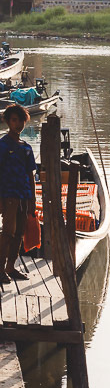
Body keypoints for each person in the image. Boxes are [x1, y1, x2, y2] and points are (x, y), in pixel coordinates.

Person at [0, 104, 37, 286]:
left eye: (20, 120)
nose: (18, 124)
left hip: (24, 196)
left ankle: (10, 267)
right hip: (8, 196)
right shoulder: (3, 145)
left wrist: (33, 199)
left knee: (19, 233)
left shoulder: (26, 148)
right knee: (7, 232)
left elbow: (31, 174)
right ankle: (0, 269)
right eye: (14, 120)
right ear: (7, 121)